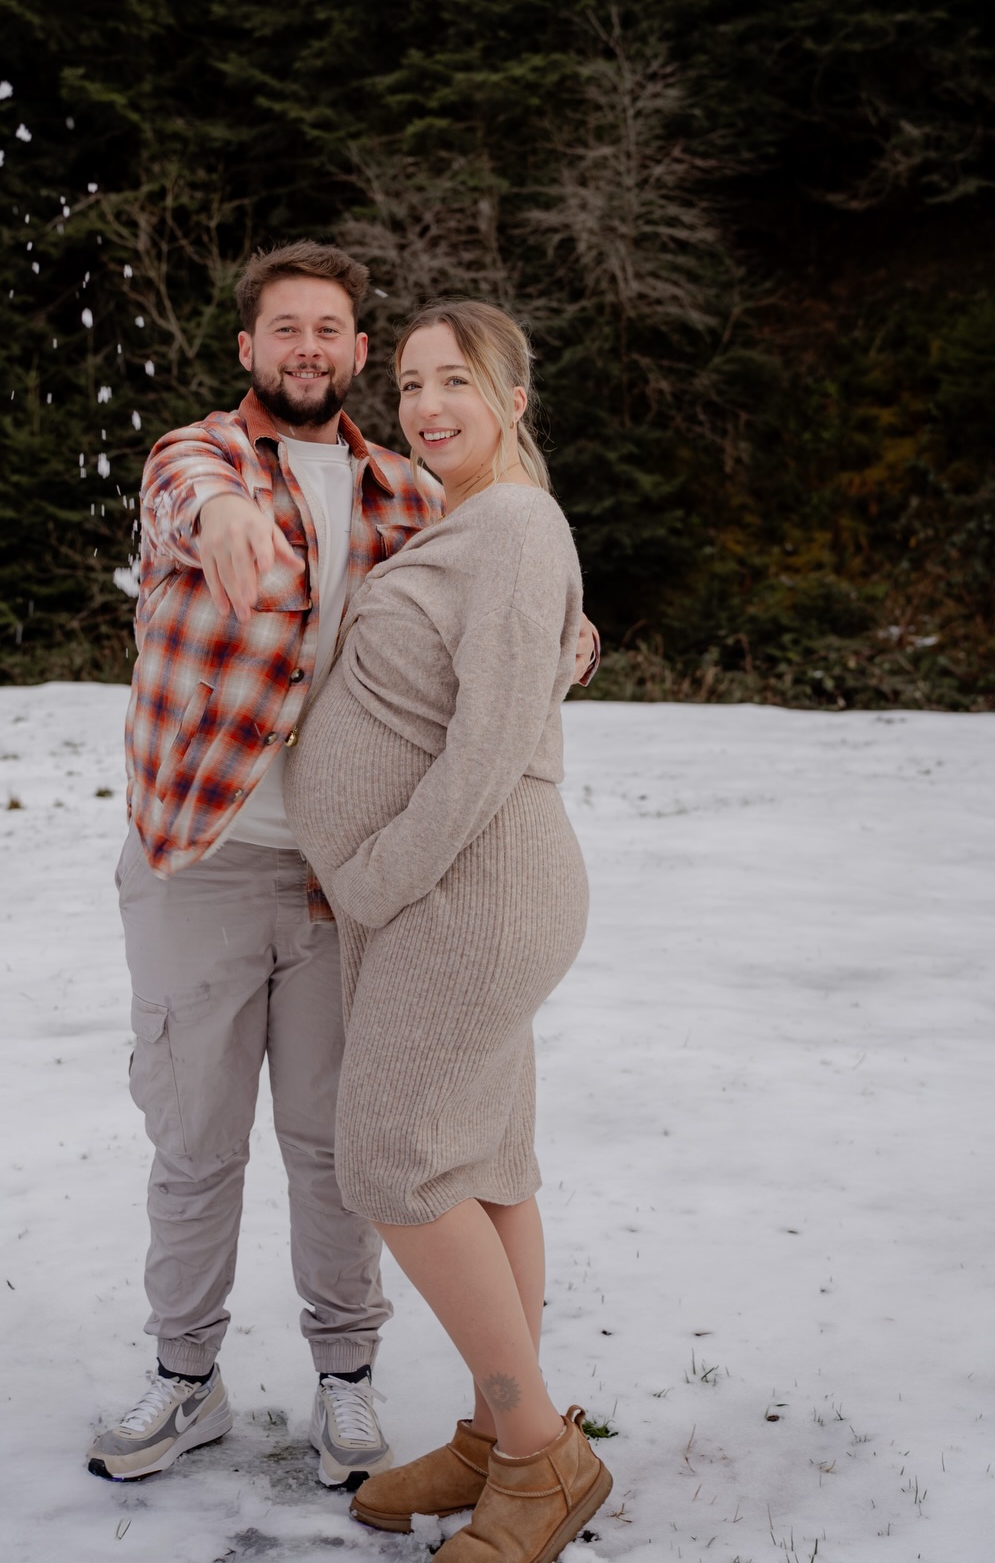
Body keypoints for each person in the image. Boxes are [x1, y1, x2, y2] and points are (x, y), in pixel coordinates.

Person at [86, 244, 601, 1492]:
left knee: (344, 1149)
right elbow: (186, 493)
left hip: (344, 882)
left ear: (357, 353)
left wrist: (573, 635)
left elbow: (505, 590)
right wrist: (220, 520)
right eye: (284, 329)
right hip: (201, 859)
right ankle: (186, 1376)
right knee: (197, 1142)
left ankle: (348, 1381)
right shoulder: (192, 457)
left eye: (332, 329)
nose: (309, 346)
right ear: (249, 350)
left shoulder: (407, 492)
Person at [286, 300, 613, 1563]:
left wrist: (372, 875)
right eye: (414, 382)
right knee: (482, 1163)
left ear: (514, 399)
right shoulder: (465, 524)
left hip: (468, 891)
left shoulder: (517, 524)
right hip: (447, 893)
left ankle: (539, 1459)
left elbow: (488, 749)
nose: (427, 405)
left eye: (456, 382)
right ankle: (492, 1433)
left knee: (393, 1160)